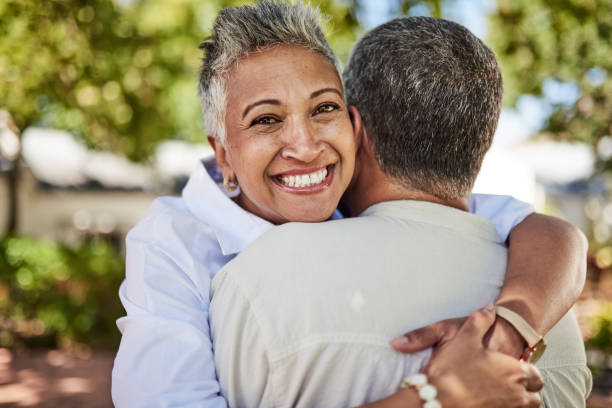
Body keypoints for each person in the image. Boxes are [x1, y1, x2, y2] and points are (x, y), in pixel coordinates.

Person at [111, 2, 587, 407]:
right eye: (266, 120)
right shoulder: (173, 241)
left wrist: (506, 332)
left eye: (323, 108)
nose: (305, 144)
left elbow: (553, 234)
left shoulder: (347, 194)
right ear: (224, 155)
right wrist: (437, 394)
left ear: (356, 128)